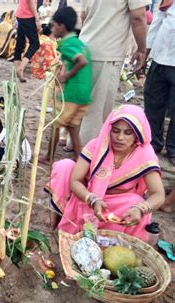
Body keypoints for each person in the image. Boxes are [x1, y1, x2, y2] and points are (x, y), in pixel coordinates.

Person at [46, 105, 165, 242]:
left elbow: (158, 194)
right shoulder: (97, 145)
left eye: (128, 133)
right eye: (115, 131)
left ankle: (111, 239)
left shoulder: (144, 154)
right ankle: (62, 216)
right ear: (109, 129)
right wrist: (92, 199)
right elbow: (75, 180)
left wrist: (140, 208)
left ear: (137, 134)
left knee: (136, 202)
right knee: (65, 166)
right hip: (85, 195)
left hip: (116, 204)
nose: (120, 137)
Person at [78, 0, 150, 146]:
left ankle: (74, 144)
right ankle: (87, 155)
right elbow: (138, 16)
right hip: (107, 52)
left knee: (82, 105)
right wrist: (142, 49)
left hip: (85, 46)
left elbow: (84, 16)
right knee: (97, 111)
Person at [45, 6, 92, 161]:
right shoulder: (78, 42)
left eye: (54, 25)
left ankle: (49, 155)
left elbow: (82, 61)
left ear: (62, 26)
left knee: (55, 123)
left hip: (72, 93)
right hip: (84, 94)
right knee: (71, 127)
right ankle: (79, 158)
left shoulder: (67, 44)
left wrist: (65, 76)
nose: (52, 28)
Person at [144, 0, 175, 165]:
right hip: (160, 57)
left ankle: (173, 149)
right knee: (153, 103)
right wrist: (146, 51)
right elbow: (157, 21)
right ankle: (152, 143)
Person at [12, 0, 41, 82]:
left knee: (20, 42)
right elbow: (31, 2)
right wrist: (37, 18)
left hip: (20, 14)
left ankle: (17, 68)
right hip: (28, 16)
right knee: (35, 44)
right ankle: (21, 68)